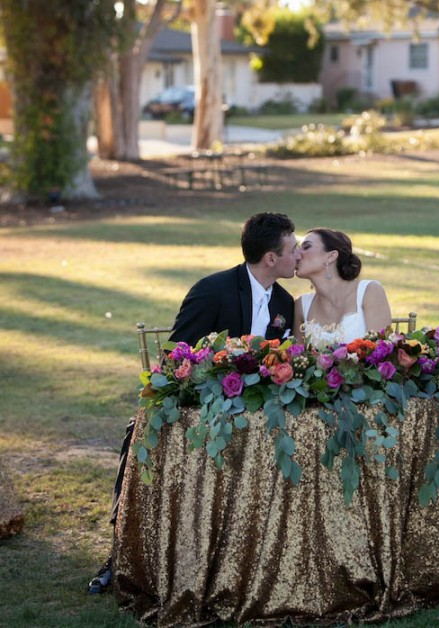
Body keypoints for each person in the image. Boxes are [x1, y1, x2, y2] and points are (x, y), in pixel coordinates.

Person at [88, 211, 299, 594]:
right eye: (293, 249)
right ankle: (119, 553)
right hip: (200, 408)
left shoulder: (286, 301)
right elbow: (175, 356)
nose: (298, 255)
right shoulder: (212, 289)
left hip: (258, 415)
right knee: (137, 432)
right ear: (271, 258)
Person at [293, 226, 392, 347]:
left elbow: (381, 353)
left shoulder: (370, 291)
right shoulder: (301, 305)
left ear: (331, 256)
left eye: (306, 247)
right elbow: (297, 358)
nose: (297, 254)